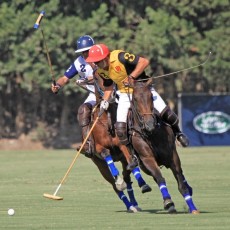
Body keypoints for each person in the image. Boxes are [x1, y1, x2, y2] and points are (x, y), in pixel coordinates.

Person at [86, 44, 189, 164]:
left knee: (167, 114)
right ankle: (132, 155)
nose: (96, 64)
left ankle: (178, 133)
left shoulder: (121, 57)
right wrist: (104, 100)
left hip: (142, 90)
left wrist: (131, 77)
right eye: (94, 62)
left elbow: (144, 62)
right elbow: (108, 86)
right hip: (124, 94)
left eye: (97, 61)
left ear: (105, 57)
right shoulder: (101, 71)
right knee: (120, 128)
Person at [51, 35, 99, 157]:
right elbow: (65, 77)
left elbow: (105, 75)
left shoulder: (101, 57)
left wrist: (89, 79)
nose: (85, 54)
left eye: (87, 51)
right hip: (94, 94)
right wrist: (57, 85)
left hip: (110, 90)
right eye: (82, 52)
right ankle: (87, 144)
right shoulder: (78, 62)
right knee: (82, 110)